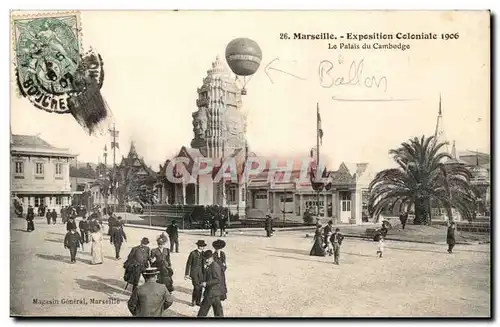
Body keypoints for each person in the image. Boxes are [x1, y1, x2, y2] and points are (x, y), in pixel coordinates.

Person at [197, 250, 224, 317]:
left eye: (207, 259)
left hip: (211, 293)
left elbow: (217, 279)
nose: (206, 260)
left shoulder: (214, 266)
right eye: (205, 259)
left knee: (203, 311)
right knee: (218, 312)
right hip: (215, 293)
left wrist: (206, 283)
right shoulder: (210, 265)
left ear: (212, 258)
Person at [185, 240, 206, 307]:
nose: (203, 247)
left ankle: (198, 301)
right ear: (199, 246)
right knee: (196, 287)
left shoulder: (204, 254)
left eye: (203, 246)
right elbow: (188, 264)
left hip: (202, 274)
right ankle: (193, 300)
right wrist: (186, 274)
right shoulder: (193, 253)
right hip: (194, 273)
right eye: (202, 246)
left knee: (200, 288)